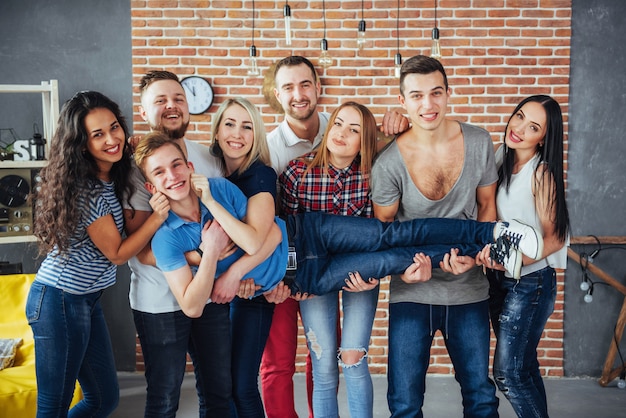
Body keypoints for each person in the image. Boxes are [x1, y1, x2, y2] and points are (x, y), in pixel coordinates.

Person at [261, 55, 410, 418]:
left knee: (354, 359)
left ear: (366, 141)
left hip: (359, 274)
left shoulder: (373, 174)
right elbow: (288, 233)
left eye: (354, 129)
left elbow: (378, 233)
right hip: (313, 275)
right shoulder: (296, 171)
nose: (342, 132)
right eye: (339, 124)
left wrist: (372, 276)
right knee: (323, 363)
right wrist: (294, 279)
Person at [371, 54, 501, 417]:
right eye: (416, 96)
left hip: (470, 289)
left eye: (436, 93)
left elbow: (487, 208)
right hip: (412, 293)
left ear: (448, 93)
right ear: (402, 101)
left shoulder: (478, 141)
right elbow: (386, 232)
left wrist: (477, 256)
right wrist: (401, 271)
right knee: (405, 402)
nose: (428, 105)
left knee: (480, 396)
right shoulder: (389, 161)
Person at [26, 91, 168, 417]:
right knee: (53, 408)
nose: (111, 139)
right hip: (59, 301)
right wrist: (158, 217)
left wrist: (137, 152)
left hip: (86, 300)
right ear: (80, 143)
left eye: (114, 127)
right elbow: (117, 254)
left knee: (103, 399)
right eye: (98, 134)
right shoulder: (86, 188)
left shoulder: (110, 176)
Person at [124, 70, 247, 417]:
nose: (172, 106)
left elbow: (230, 224)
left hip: (210, 295)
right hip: (158, 301)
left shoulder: (208, 157)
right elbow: (139, 248)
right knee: (164, 399)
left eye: (178, 98)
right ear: (145, 112)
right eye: (160, 101)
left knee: (218, 391)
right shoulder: (133, 168)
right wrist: (201, 254)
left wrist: (235, 267)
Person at [479, 95, 570, 418]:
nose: (518, 128)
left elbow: (555, 238)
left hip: (530, 284)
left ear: (543, 137)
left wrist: (514, 263)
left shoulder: (540, 173)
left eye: (532, 127)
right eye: (519, 117)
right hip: (499, 280)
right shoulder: (500, 158)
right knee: (525, 368)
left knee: (509, 374)